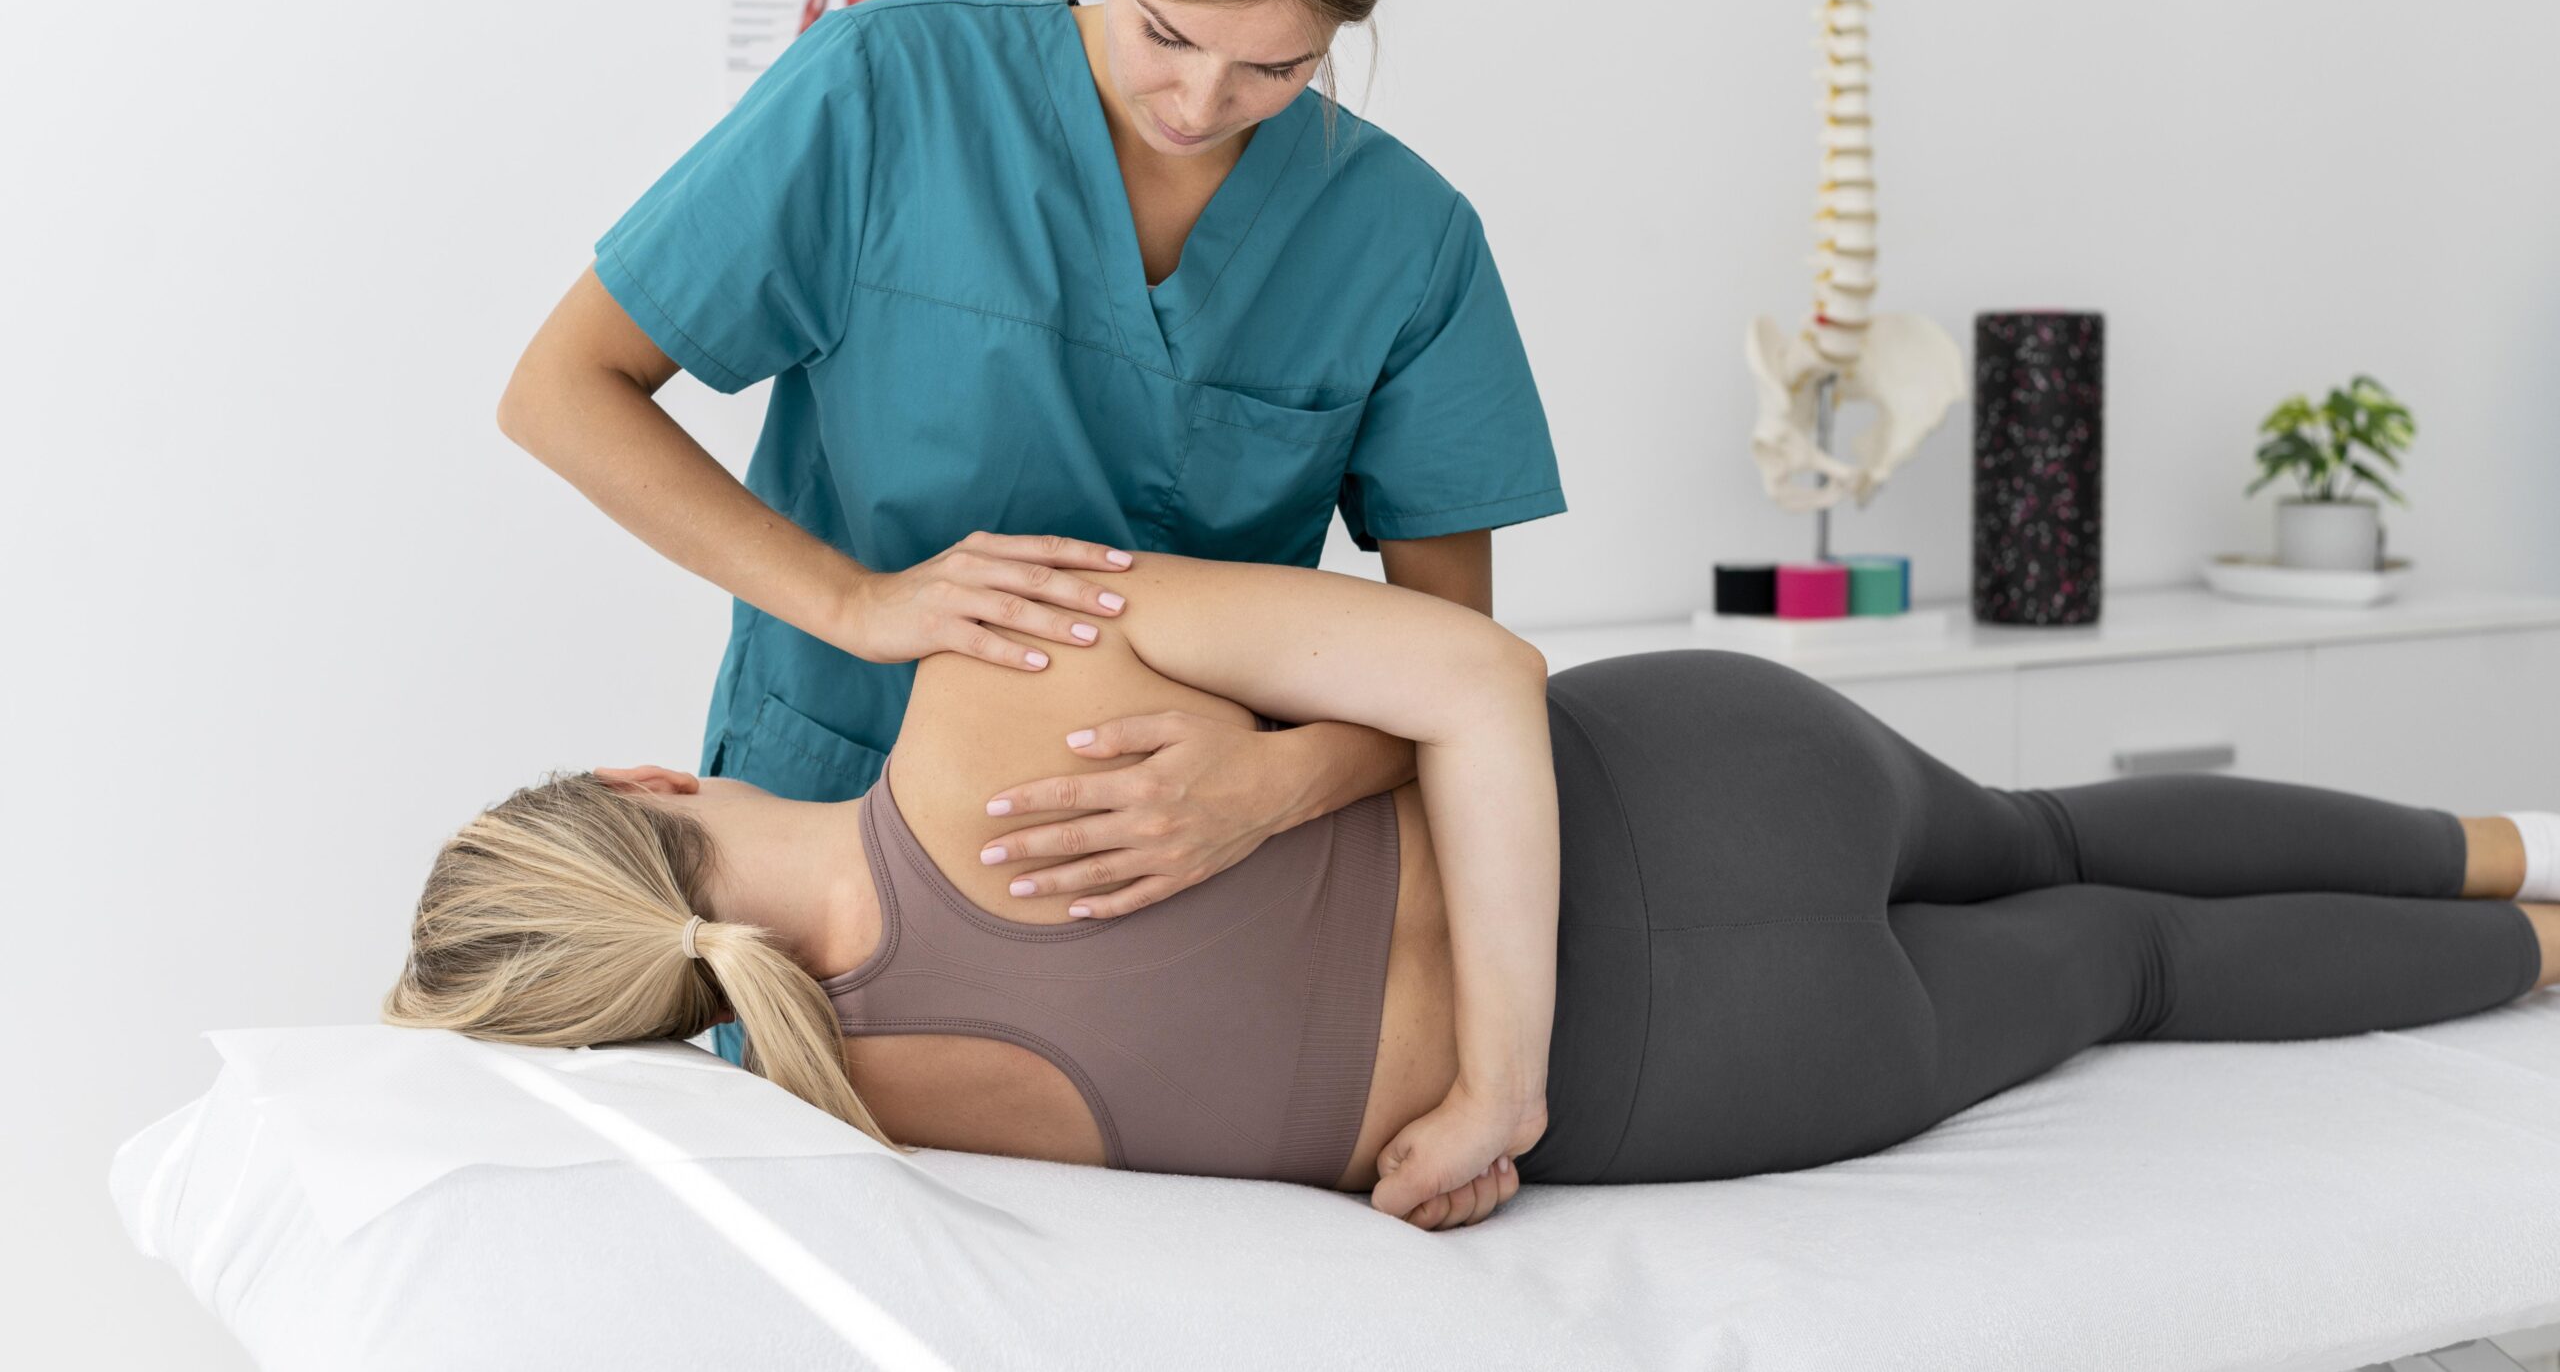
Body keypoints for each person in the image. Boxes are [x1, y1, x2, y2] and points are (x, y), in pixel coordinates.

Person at [384, 551, 2560, 1231]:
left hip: (1714, 1078)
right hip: (1697, 784)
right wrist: (1280, 792)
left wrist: (1497, 1091)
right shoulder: (995, 662)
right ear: (645, 779)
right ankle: (2532, 854)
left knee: (2134, 965)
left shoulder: (882, 1121)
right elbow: (1473, 676)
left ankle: (2543, 944)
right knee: (2074, 832)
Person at [494, 0, 1565, 1070]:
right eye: (1165, 32)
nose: (1201, 103)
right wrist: (854, 603)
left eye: (1277, 66)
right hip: (822, 824)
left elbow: (1458, 661)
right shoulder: (882, 94)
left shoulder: (1406, 240)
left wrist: (1279, 782)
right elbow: (563, 391)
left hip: (1171, 892)